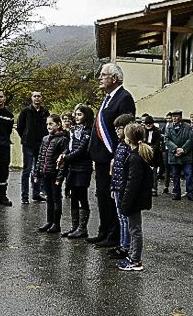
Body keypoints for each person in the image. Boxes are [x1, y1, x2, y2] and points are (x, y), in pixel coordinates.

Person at [89, 63, 136, 248]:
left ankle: (114, 235)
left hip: (113, 158)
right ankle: (104, 230)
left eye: (103, 75)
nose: (100, 78)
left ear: (114, 78)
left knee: (112, 197)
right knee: (101, 195)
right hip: (101, 158)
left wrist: (118, 155)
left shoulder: (124, 98)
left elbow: (125, 129)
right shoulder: (107, 98)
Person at [115, 121, 155, 272]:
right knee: (134, 228)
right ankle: (132, 256)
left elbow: (133, 183)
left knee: (135, 230)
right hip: (136, 199)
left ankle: (135, 259)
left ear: (129, 138)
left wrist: (126, 202)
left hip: (134, 200)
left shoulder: (135, 158)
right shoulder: (136, 154)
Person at [60, 105, 95, 238]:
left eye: (79, 114)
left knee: (82, 196)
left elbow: (81, 150)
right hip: (72, 167)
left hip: (83, 167)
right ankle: (74, 226)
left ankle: (82, 228)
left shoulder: (87, 132)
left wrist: (66, 158)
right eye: (76, 114)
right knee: (73, 196)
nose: (76, 117)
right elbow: (69, 147)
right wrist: (63, 154)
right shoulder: (74, 130)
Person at [108, 113, 138, 259]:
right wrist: (113, 187)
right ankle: (122, 244)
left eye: (120, 128)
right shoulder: (120, 145)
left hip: (124, 188)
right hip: (118, 187)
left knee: (125, 219)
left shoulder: (130, 148)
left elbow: (127, 171)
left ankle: (126, 247)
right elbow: (116, 169)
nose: (117, 131)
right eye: (116, 129)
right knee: (120, 218)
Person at [36, 115, 69, 233]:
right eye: (47, 124)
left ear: (58, 125)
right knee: (49, 198)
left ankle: (56, 223)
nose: (48, 126)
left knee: (56, 198)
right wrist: (37, 173)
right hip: (45, 173)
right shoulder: (45, 139)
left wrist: (60, 177)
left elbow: (63, 161)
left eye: (51, 124)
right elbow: (40, 157)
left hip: (55, 175)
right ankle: (49, 221)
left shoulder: (63, 139)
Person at [16, 91, 50, 203]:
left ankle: (36, 194)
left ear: (42, 98)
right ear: (31, 98)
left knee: (38, 169)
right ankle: (24, 196)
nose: (37, 98)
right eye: (34, 96)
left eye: (39, 96)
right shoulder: (25, 111)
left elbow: (48, 126)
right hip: (28, 144)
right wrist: (26, 137)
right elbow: (20, 127)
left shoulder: (45, 112)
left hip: (41, 144)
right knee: (27, 169)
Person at [163, 111, 193, 201]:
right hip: (174, 155)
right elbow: (166, 140)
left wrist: (183, 150)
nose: (174, 118)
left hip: (186, 155)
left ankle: (190, 193)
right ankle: (176, 193)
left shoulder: (187, 127)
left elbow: (191, 139)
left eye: (176, 116)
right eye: (173, 116)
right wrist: (175, 149)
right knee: (175, 176)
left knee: (188, 175)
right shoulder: (168, 127)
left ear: (180, 117)